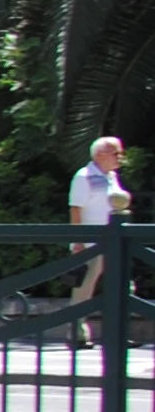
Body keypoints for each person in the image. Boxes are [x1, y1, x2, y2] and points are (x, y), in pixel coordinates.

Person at [71, 135, 128, 345]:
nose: (120, 157)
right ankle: (77, 333)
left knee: (123, 287)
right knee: (84, 290)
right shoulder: (84, 176)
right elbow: (76, 208)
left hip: (113, 242)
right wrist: (77, 240)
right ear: (100, 155)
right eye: (116, 153)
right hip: (91, 244)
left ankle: (120, 334)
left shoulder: (111, 176)